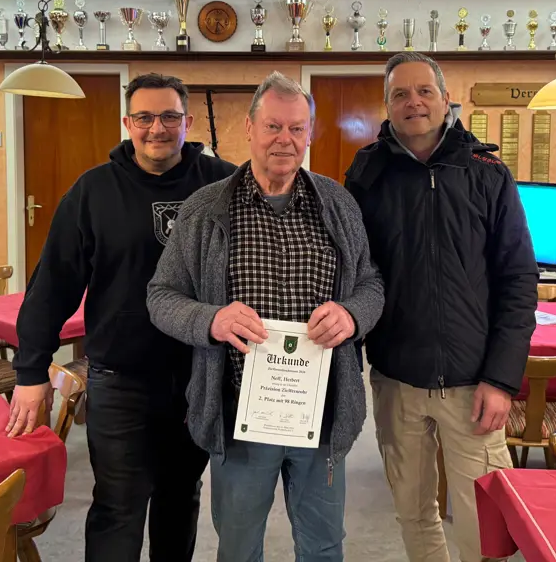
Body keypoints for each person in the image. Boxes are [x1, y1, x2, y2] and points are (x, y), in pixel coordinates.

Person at [147, 71, 384, 562]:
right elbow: (161, 296)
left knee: (323, 547)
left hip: (319, 413)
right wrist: (210, 320)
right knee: (238, 548)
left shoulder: (338, 205)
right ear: (250, 128)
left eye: (296, 128)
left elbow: (371, 284)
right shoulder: (205, 209)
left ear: (309, 133)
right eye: (273, 126)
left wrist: (351, 315)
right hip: (239, 415)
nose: (285, 139)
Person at [7, 73, 237, 562]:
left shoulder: (224, 184)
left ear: (187, 121)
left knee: (181, 499)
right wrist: (31, 371)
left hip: (200, 376)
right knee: (118, 506)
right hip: (121, 379)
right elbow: (52, 287)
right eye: (145, 117)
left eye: (170, 116)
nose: (158, 128)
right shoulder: (92, 192)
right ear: (127, 123)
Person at [344, 52, 538, 562]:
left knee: (486, 524)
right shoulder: (366, 173)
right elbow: (352, 272)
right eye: (400, 94)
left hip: (474, 384)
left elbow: (518, 279)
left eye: (424, 91)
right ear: (387, 105)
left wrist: (502, 380)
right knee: (413, 511)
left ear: (445, 98)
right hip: (396, 380)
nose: (413, 102)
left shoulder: (487, 173)